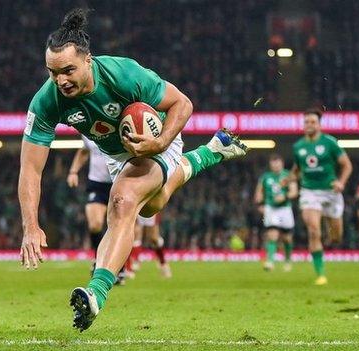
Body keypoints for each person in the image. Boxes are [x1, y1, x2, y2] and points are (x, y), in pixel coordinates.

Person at [17, 8, 247, 331]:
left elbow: (183, 103)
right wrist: (30, 225)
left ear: (88, 60)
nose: (61, 81)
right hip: (117, 155)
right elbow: (30, 168)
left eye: (68, 70)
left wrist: (160, 142)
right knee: (152, 204)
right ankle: (210, 153)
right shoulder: (47, 100)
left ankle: (95, 294)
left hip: (157, 137)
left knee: (123, 201)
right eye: (53, 73)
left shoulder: (123, 75)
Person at [289, 108, 352, 285]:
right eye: (306, 122)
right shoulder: (298, 146)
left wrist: (341, 183)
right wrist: (287, 180)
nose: (309, 125)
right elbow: (297, 169)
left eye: (313, 122)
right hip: (309, 191)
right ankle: (321, 274)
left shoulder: (330, 142)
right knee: (314, 230)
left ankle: (328, 230)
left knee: (336, 237)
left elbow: (347, 165)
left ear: (319, 124)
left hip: (331, 192)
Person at [67, 136, 112, 266]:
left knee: (117, 226)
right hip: (97, 184)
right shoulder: (87, 130)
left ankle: (119, 266)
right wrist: (73, 172)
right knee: (95, 224)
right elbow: (84, 150)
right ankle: (99, 260)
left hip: (119, 182)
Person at [254, 154, 297, 272]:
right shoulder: (265, 177)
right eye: (273, 164)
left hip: (285, 209)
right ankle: (270, 261)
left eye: (278, 164)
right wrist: (259, 204)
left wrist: (284, 196)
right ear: (270, 165)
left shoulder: (288, 176)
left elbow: (294, 192)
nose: (276, 166)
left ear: (282, 163)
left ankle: (288, 260)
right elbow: (259, 192)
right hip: (271, 208)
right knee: (272, 234)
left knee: (287, 238)